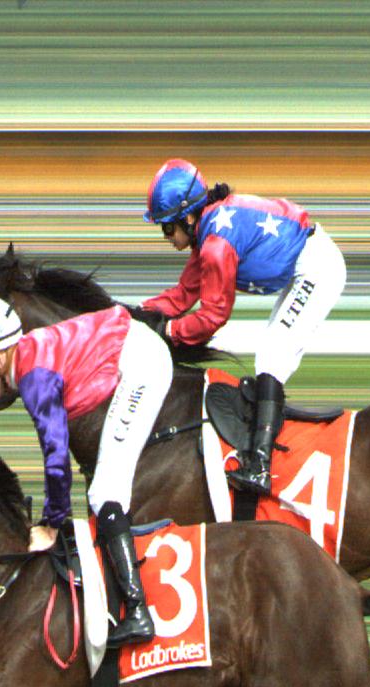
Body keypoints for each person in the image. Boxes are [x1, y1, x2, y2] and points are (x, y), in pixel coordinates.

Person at [0, 297, 175, 648]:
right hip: (136, 351)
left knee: (105, 492)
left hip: (141, 365)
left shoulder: (33, 376)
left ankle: (137, 610)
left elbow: (56, 454)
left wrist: (51, 524)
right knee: (106, 489)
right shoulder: (28, 360)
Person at [129, 159, 343, 485]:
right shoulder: (208, 230)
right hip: (305, 260)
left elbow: (214, 316)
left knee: (272, 353)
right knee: (272, 354)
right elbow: (182, 296)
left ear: (188, 218)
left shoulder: (216, 245)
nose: (166, 236)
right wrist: (133, 314)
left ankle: (260, 464)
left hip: (318, 267)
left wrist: (170, 331)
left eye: (167, 227)